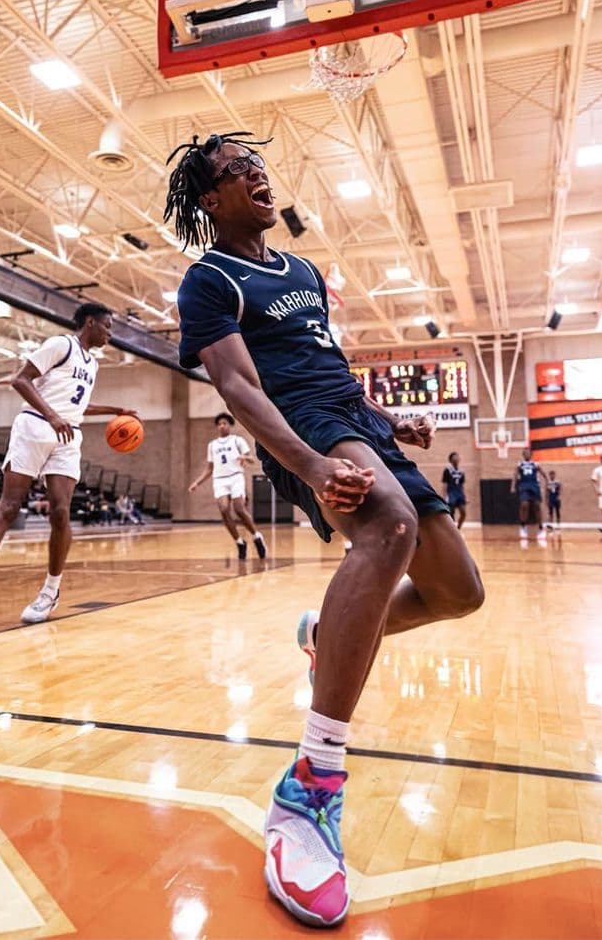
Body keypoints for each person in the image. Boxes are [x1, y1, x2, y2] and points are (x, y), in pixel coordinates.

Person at [167, 131, 484, 928]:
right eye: (238, 171)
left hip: (350, 416)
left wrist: (387, 419)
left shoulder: (302, 272)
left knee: (458, 591)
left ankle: (323, 629)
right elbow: (240, 386)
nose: (257, 175)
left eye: (259, 165)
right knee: (388, 529)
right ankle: (310, 788)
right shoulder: (210, 277)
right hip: (302, 426)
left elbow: (329, 361)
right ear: (210, 200)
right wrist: (308, 465)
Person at [0, 303, 135, 636]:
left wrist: (115, 409)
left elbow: (75, 405)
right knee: (7, 508)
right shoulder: (61, 345)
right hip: (35, 426)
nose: (110, 333)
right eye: (107, 326)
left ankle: (50, 593)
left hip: (67, 435)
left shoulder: (92, 363)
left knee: (61, 513)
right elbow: (22, 380)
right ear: (89, 322)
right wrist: (50, 415)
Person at [189, 412, 267, 558]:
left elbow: (251, 459)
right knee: (224, 509)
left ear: (230, 425)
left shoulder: (237, 440)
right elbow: (209, 469)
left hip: (236, 477)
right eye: (219, 424)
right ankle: (239, 541)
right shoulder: (212, 445)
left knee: (239, 509)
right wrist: (196, 483)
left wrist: (244, 457)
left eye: (224, 423)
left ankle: (256, 536)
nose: (221, 426)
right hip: (219, 480)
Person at [510, 448, 547, 545]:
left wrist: (547, 482)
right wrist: (513, 486)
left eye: (528, 453)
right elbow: (515, 475)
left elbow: (543, 473)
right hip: (524, 485)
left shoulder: (535, 464)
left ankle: (540, 527)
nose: (527, 455)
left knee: (537, 506)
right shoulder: (520, 464)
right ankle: (523, 526)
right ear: (523, 455)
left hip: (534, 485)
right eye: (525, 453)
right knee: (524, 504)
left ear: (531, 454)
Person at [441, 451, 466, 529]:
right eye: (455, 457)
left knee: (463, 512)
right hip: (451, 493)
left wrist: (464, 496)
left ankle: (458, 529)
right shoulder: (447, 470)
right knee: (451, 514)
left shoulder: (461, 472)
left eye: (457, 457)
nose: (457, 458)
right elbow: (444, 485)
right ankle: (453, 531)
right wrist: (444, 497)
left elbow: (462, 485)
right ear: (451, 459)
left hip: (459, 493)